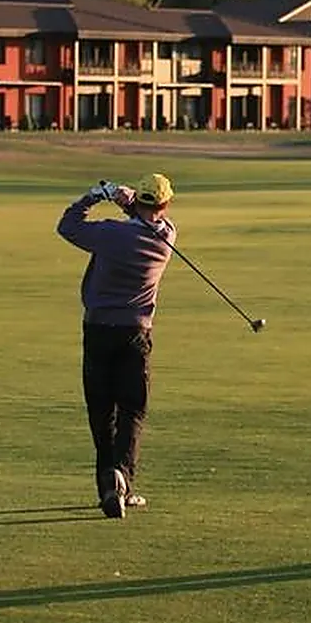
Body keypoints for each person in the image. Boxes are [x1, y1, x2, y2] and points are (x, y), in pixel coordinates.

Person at [56, 173, 177, 519]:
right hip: (136, 333)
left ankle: (109, 487)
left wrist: (95, 196)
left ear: (137, 201)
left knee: (102, 413)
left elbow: (68, 226)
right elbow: (147, 220)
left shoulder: (110, 234)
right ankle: (123, 481)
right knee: (132, 410)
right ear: (166, 205)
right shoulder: (167, 237)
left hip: (97, 330)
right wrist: (128, 202)